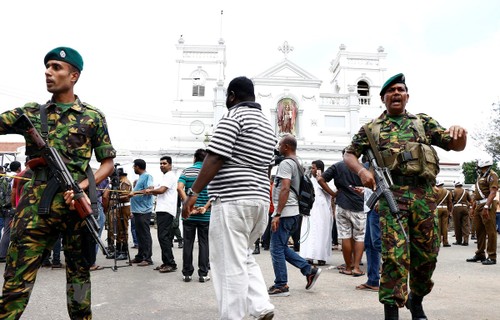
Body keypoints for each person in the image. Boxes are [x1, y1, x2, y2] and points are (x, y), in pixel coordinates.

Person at [0, 47, 116, 319]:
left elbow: (107, 163)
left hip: (76, 208)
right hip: (34, 210)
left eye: (56, 67)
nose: (48, 72)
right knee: (16, 282)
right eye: (47, 67)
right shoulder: (29, 112)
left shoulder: (92, 116)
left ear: (73, 75)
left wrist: (83, 188)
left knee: (79, 278)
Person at [344, 73, 467, 319]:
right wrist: (361, 171)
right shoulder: (371, 129)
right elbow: (349, 154)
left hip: (424, 197)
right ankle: (391, 311)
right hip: (392, 196)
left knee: (427, 256)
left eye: (400, 89)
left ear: (407, 96)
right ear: (383, 98)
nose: (396, 93)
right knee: (394, 257)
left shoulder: (422, 122)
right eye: (391, 91)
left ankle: (416, 299)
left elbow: (454, 145)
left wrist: (459, 134)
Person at [183, 76, 275, 320]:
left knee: (227, 265)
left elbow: (215, 157)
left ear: (232, 95)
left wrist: (193, 194)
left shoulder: (234, 117)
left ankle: (233, 317)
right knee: (243, 256)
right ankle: (261, 306)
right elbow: (267, 168)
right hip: (259, 201)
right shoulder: (267, 125)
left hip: (233, 201)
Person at [268, 135, 322, 297]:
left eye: (279, 145)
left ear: (286, 147)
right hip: (293, 211)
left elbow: (284, 188)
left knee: (276, 248)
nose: (277, 147)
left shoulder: (286, 164)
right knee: (282, 247)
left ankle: (281, 284)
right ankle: (309, 270)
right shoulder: (297, 163)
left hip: (285, 212)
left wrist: (277, 214)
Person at [317, 157, 365, 277]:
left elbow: (321, 179)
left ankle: (348, 267)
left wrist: (333, 193)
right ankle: (357, 267)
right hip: (359, 205)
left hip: (342, 204)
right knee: (359, 237)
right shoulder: (362, 167)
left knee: (345, 236)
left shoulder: (338, 166)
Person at [177, 149, 211, 282]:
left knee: (188, 243)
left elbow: (179, 187)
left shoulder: (187, 171)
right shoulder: (209, 173)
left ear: (194, 158)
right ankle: (203, 274)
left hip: (188, 215)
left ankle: (187, 273)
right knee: (204, 243)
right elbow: (215, 193)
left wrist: (188, 204)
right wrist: (205, 207)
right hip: (205, 215)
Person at [145, 156, 178, 273]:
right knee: (163, 237)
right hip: (162, 209)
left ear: (170, 165)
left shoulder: (170, 175)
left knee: (163, 237)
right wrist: (152, 189)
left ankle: (171, 263)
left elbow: (161, 190)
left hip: (166, 210)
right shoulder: (165, 177)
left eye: (164, 163)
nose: (162, 165)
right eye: (160, 163)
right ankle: (166, 262)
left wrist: (151, 191)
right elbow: (158, 190)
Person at [299, 160, 333, 266]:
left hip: (322, 212)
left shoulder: (327, 180)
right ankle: (308, 256)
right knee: (309, 232)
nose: (311, 170)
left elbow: (332, 192)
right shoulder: (309, 180)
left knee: (321, 232)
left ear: (319, 169)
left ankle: (321, 257)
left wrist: (320, 180)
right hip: (311, 210)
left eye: (313, 168)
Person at [466, 159, 497, 265]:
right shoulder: (480, 177)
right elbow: (476, 194)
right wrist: (473, 207)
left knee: (490, 231)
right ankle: (480, 254)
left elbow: (493, 192)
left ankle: (492, 256)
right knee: (479, 231)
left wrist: (487, 206)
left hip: (487, 204)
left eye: (478, 167)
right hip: (479, 205)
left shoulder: (492, 175)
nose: (477, 169)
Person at [128, 159, 154, 267]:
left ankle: (147, 258)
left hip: (144, 211)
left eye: (134, 167)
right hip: (137, 211)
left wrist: (134, 192)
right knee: (139, 234)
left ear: (138, 167)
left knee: (145, 235)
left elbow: (150, 189)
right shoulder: (140, 178)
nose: (133, 168)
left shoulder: (148, 176)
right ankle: (140, 256)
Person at [104, 168, 132, 260]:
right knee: (118, 230)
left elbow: (125, 196)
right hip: (119, 208)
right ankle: (118, 250)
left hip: (123, 208)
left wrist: (115, 195)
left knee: (123, 230)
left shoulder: (124, 182)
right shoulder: (119, 182)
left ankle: (124, 251)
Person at [451, 181, 471, 246]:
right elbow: (470, 201)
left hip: (456, 208)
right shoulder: (466, 191)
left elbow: (451, 201)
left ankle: (459, 240)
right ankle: (466, 240)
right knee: (466, 224)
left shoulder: (453, 191)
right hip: (465, 207)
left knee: (457, 225)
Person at [435, 181, 453, 247]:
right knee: (445, 226)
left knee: (438, 226)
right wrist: (450, 211)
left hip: (437, 208)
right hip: (445, 208)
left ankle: (438, 241)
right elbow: (450, 202)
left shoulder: (435, 190)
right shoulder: (447, 192)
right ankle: (445, 242)